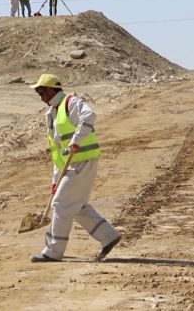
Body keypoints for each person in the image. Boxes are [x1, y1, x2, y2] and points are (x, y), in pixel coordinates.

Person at [28, 73, 122, 262]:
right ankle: (108, 236)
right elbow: (57, 152)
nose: (40, 96)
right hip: (70, 165)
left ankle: (53, 252)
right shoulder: (51, 115)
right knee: (76, 206)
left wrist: (76, 140)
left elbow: (90, 115)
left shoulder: (71, 102)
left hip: (83, 162)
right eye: (38, 92)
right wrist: (56, 181)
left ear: (53, 89)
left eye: (41, 90)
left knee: (61, 204)